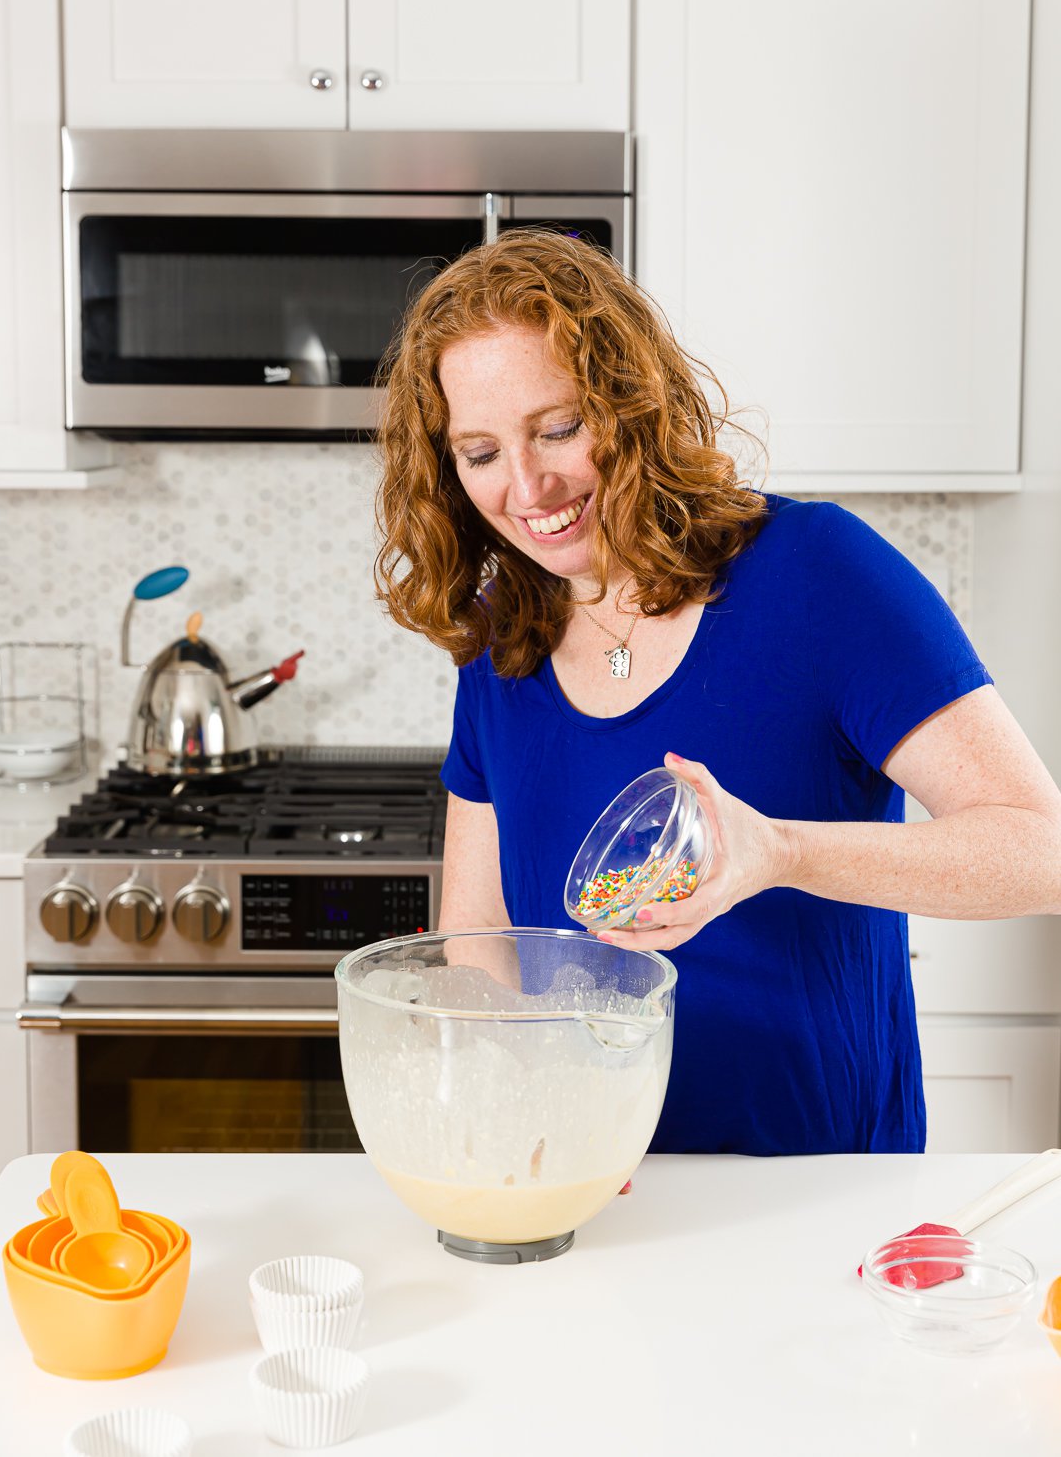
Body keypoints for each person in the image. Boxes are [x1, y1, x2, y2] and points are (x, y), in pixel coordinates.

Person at [373, 229, 1061, 1155]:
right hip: (597, 1187)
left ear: (629, 405)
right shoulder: (502, 633)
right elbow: (479, 927)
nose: (527, 485)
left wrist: (776, 852)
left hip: (814, 1192)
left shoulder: (816, 573)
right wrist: (523, 1099)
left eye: (559, 428)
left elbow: (1042, 851)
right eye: (480, 451)